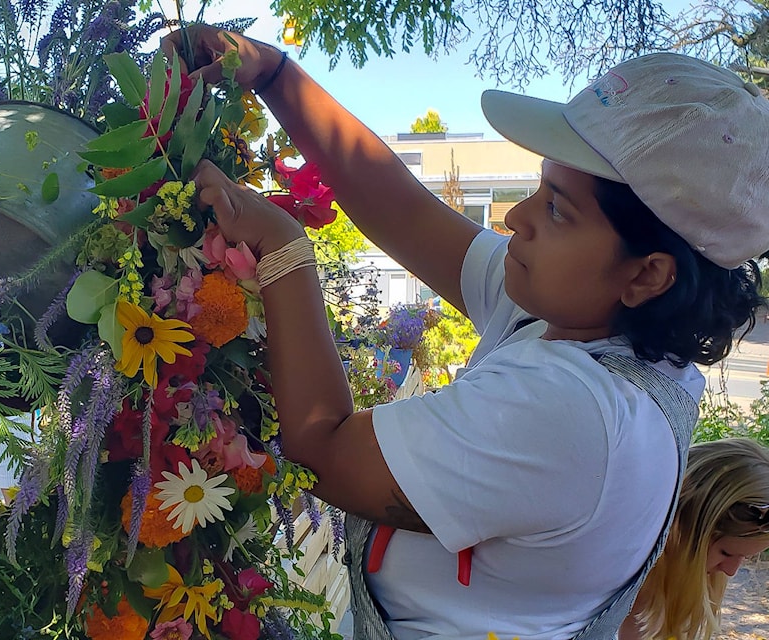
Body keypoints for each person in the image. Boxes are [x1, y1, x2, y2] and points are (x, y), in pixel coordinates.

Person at [162, 27, 769, 639]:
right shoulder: (590, 323)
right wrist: (273, 76)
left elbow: (323, 449)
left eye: (557, 208)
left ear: (647, 274)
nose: (518, 218)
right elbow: (401, 209)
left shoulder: (574, 412)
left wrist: (283, 249)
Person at [620, 438, 769, 640]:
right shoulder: (625, 577)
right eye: (726, 553)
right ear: (681, 524)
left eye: (747, 557)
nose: (731, 570)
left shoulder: (671, 583)